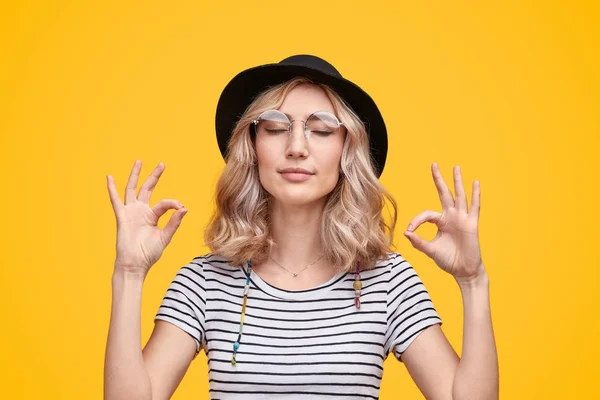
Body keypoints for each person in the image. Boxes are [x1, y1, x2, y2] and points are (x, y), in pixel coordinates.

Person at [104, 55, 498, 399]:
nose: (296, 146)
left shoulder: (387, 281)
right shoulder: (204, 282)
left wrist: (473, 280)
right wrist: (129, 272)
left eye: (322, 129)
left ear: (348, 150)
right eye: (275, 127)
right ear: (252, 145)